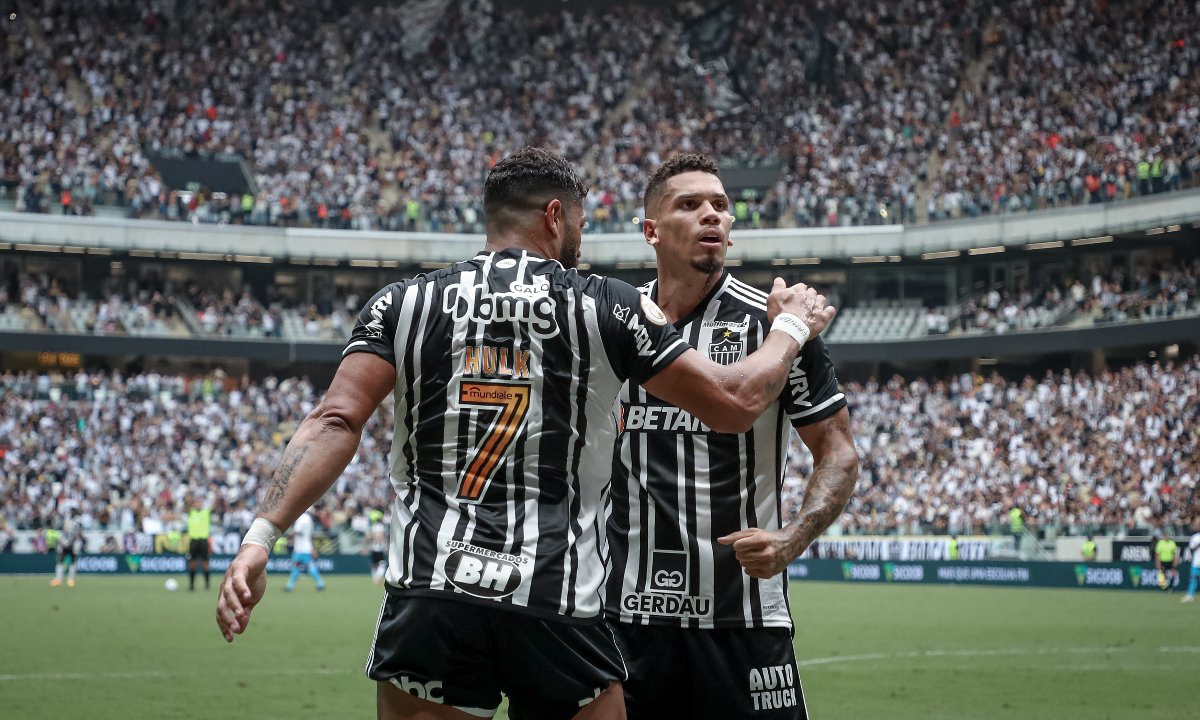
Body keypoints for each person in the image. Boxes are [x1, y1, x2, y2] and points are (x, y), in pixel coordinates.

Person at [215, 147, 837, 720]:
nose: (583, 239)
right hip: (556, 595)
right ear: (555, 216)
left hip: (435, 590)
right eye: (582, 225)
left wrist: (260, 537)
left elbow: (334, 420)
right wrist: (789, 328)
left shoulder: (402, 302)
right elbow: (733, 404)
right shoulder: (606, 304)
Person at [605, 154, 859, 720]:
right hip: (624, 617)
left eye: (720, 205)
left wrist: (792, 539)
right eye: (690, 204)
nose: (711, 215)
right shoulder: (614, 324)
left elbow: (837, 452)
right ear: (651, 230)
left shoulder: (773, 328)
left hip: (742, 615)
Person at [284, 510, 326, 592]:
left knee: (297, 566)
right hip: (306, 547)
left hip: (300, 548)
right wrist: (312, 547)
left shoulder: (301, 519)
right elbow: (311, 535)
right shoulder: (309, 519)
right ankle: (320, 583)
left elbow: (296, 531)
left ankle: (290, 586)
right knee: (309, 566)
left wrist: (288, 540)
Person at [186, 494, 213, 592]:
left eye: (200, 503)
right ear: (194, 504)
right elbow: (188, 504)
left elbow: (214, 506)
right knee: (192, 563)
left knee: (205, 563)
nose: (198, 505)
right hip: (193, 541)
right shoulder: (191, 512)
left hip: (203, 541)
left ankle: (207, 584)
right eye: (196, 503)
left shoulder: (206, 513)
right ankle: (191, 585)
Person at [50, 513, 83, 588]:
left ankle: (70, 580)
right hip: (64, 547)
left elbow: (76, 537)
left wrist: (72, 544)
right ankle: (58, 579)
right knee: (60, 561)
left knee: (73, 562)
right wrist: (65, 543)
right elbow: (60, 537)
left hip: (72, 547)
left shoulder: (74, 529)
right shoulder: (63, 530)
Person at [366, 509, 388, 586]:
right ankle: (376, 579)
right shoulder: (379, 526)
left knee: (374, 564)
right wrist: (379, 543)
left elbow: (368, 537)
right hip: (379, 548)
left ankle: (375, 579)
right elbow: (378, 536)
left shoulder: (373, 526)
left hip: (373, 548)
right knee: (382, 564)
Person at [1182, 518, 1200, 604]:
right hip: (1196, 562)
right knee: (1193, 579)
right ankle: (1190, 595)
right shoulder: (1195, 537)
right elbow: (1191, 549)